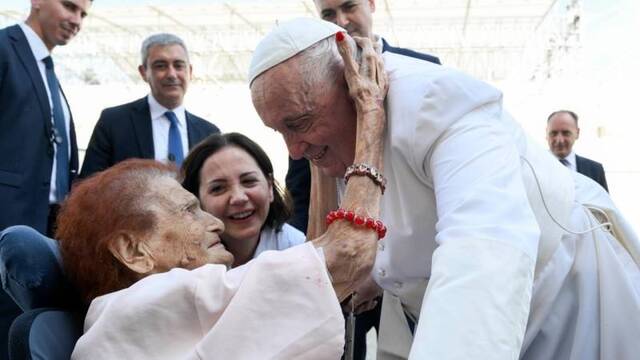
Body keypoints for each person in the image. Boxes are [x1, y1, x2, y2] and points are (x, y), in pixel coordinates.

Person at [249, 18, 640, 360]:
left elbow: (484, 245)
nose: (293, 151)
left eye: (298, 123)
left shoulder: (434, 101)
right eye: (279, 131)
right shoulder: (335, 136)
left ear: (348, 76)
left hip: (563, 295)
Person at [62, 31, 388, 359]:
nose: (216, 222)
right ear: (133, 250)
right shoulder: (154, 301)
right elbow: (346, 255)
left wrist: (314, 146)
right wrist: (370, 115)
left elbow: (319, 266)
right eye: (190, 210)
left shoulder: (135, 313)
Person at [287, 0, 441, 234]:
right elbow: (301, 189)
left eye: (349, 7)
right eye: (329, 14)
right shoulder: (308, 82)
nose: (341, 21)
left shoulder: (424, 68)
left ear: (371, 4)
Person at [0, 0, 91, 356]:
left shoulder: (49, 72)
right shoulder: (5, 49)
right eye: (69, 6)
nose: (76, 20)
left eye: (83, 14)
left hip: (44, 227)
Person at [80, 33, 219, 178]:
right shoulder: (113, 123)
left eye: (178, 65)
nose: (172, 74)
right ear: (143, 72)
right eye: (161, 66)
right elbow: (88, 184)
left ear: (189, 72)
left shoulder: (209, 133)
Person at [181, 132, 304, 268]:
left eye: (249, 181)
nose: (239, 198)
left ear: (269, 187)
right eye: (218, 188)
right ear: (196, 202)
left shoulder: (297, 248)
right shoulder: (181, 263)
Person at [546, 110, 608, 191]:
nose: (559, 140)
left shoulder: (595, 170)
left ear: (577, 133)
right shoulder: (532, 168)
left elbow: (603, 202)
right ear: (546, 133)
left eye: (566, 133)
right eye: (553, 133)